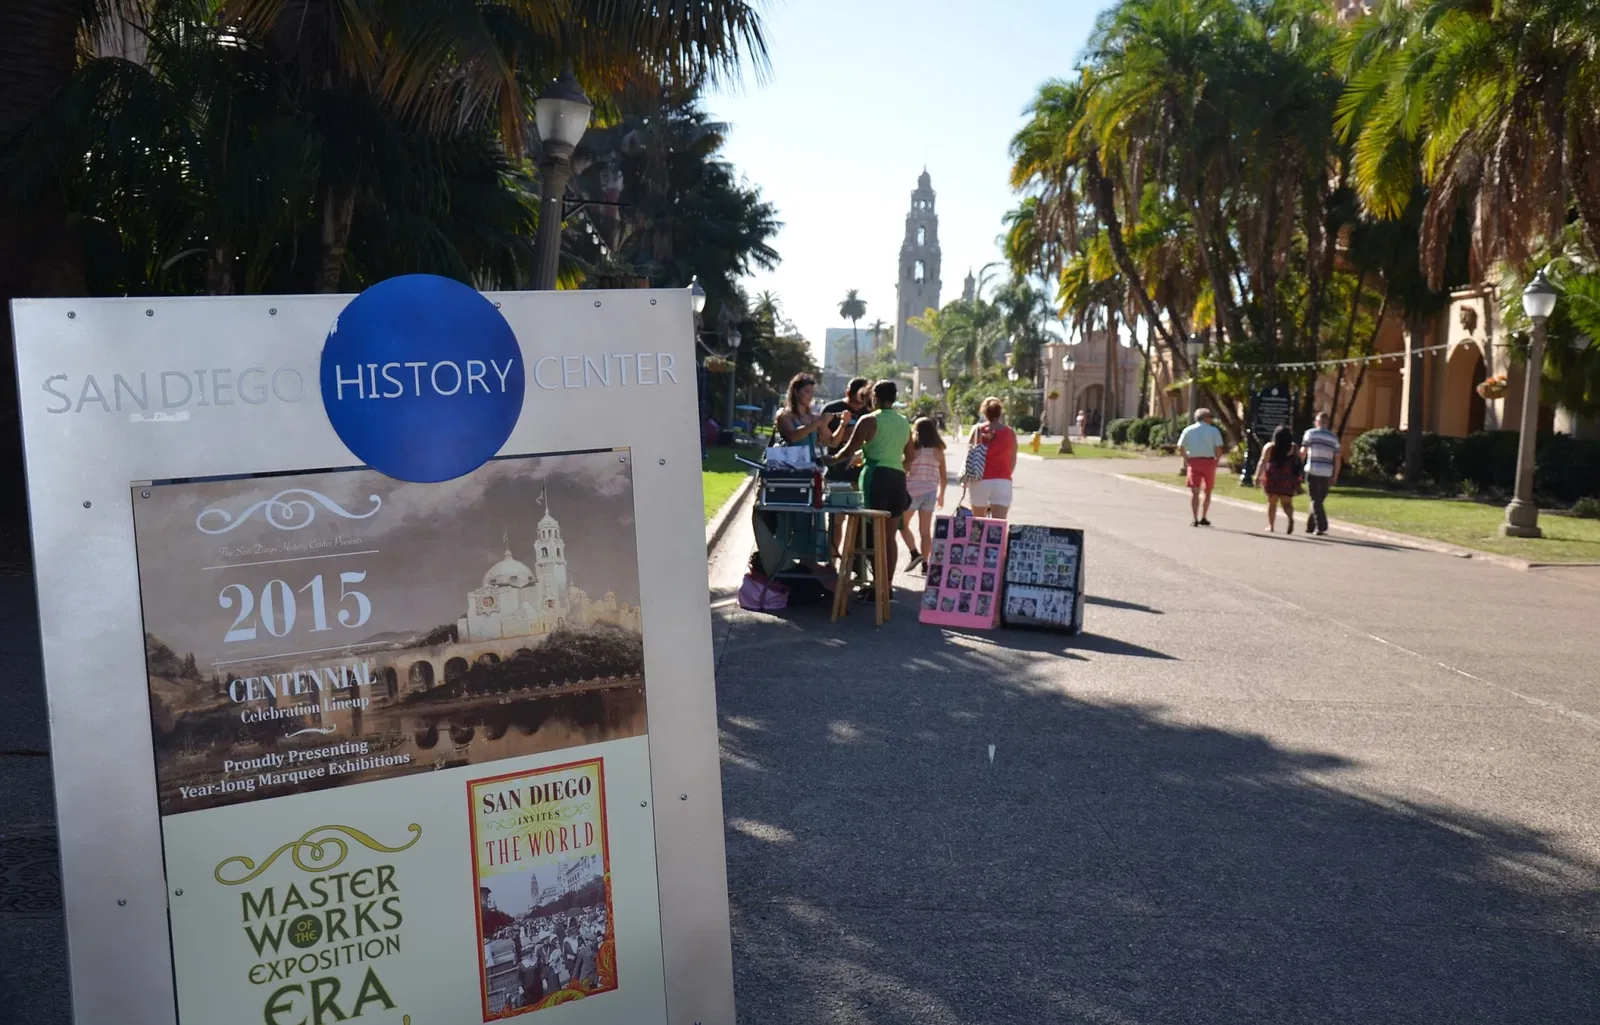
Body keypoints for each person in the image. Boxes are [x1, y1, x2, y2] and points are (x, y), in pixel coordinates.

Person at [829, 380, 913, 601]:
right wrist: (897, 467)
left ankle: (875, 585)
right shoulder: (904, 422)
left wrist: (832, 459)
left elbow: (849, 449)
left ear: (875, 397)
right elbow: (911, 456)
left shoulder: (869, 420)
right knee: (890, 535)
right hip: (897, 477)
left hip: (877, 476)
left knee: (872, 533)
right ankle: (886, 586)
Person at [769, 373, 840, 586]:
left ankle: (807, 571)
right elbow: (792, 436)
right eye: (807, 391)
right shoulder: (785, 415)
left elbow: (832, 441)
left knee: (811, 521)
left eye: (812, 392)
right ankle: (782, 566)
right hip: (790, 475)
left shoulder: (812, 417)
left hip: (810, 475)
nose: (810, 396)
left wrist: (843, 424)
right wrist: (817, 421)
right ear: (796, 391)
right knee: (789, 519)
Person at [899, 416, 947, 571]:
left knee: (902, 524)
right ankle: (926, 563)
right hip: (930, 493)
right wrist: (941, 495)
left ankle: (915, 552)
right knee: (925, 531)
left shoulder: (913, 449)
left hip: (912, 491)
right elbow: (943, 476)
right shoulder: (939, 451)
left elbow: (905, 469)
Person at [966, 397, 1017, 518]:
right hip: (1002, 481)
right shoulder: (1010, 432)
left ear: (984, 412)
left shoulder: (977, 430)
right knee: (998, 525)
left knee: (978, 524)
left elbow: (970, 455)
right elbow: (1013, 460)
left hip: (980, 480)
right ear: (1000, 413)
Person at [1177, 408, 1227, 526]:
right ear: (1205, 417)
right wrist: (1217, 460)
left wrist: (1186, 458)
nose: (1211, 419)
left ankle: (1195, 517)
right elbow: (1219, 448)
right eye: (1209, 416)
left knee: (1195, 491)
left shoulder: (1188, 430)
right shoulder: (1213, 431)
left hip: (1194, 461)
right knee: (1208, 490)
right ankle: (1204, 516)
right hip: (1209, 461)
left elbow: (1180, 446)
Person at [1300, 411, 1342, 536]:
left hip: (1312, 469)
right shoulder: (1333, 438)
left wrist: (1296, 465)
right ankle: (1313, 526)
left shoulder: (1310, 434)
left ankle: (1320, 526)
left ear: (1317, 422)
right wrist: (1335, 476)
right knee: (1318, 499)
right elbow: (1338, 459)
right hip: (1326, 471)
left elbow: (1303, 452)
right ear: (1328, 423)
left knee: (1315, 499)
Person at [1255, 423, 1303, 533]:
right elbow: (1298, 461)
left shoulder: (1270, 447)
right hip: (1288, 478)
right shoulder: (1294, 447)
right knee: (1287, 503)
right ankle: (1290, 518)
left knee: (1272, 503)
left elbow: (1263, 462)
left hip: (1273, 477)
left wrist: (1257, 476)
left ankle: (1271, 526)